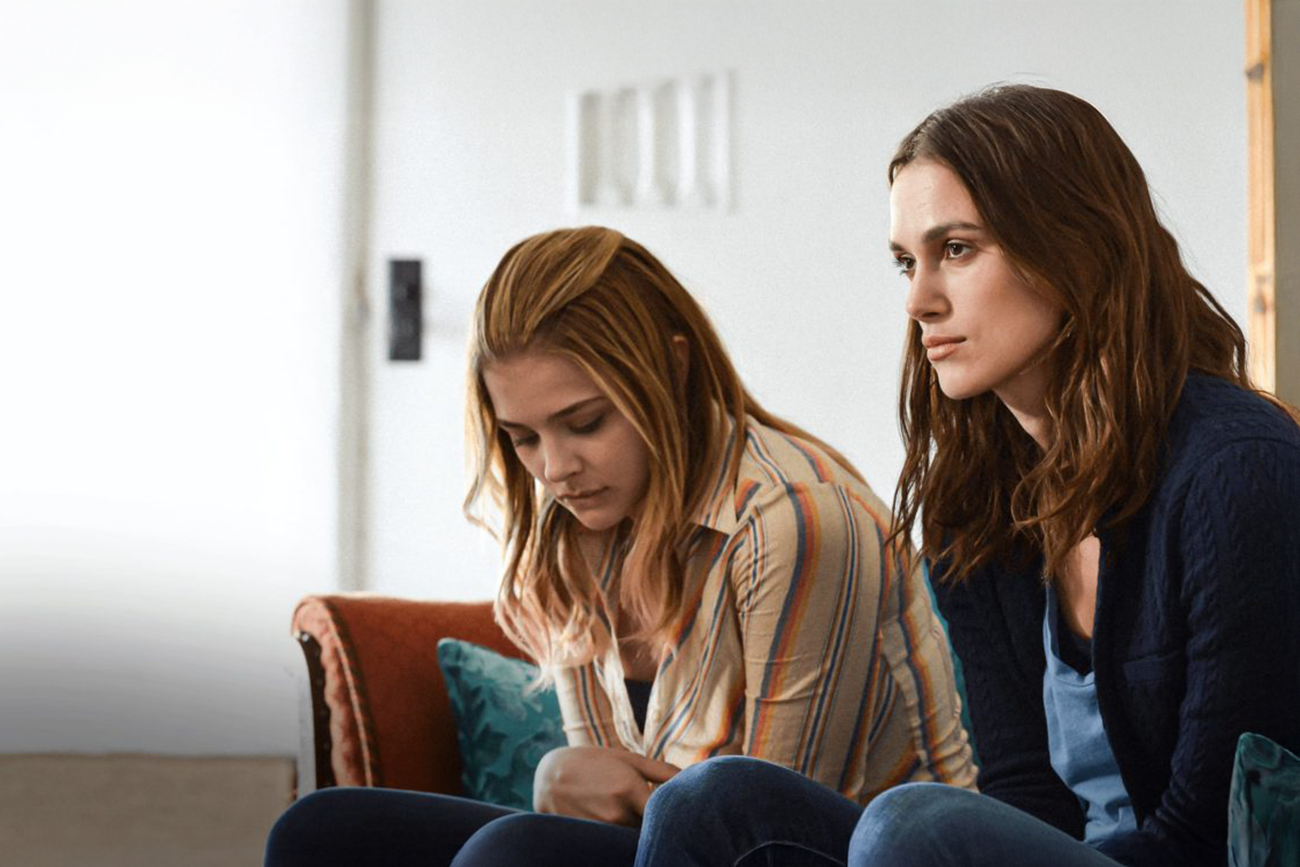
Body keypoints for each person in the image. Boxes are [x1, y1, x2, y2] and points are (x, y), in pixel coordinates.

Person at [634, 84, 1300, 867]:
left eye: (955, 249)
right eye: (905, 262)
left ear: (1075, 248)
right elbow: (1025, 796)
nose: (918, 300)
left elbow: (1214, 833)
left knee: (911, 827)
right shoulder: (975, 508)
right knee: (709, 802)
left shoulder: (1238, 472)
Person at [263, 227, 976, 867]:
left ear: (672, 368)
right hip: (679, 845)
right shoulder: (574, 530)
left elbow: (758, 824)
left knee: (514, 853)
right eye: (523, 437)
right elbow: (605, 809)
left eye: (584, 423)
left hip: (836, 855)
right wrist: (560, 779)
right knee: (323, 831)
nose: (554, 468)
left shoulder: (797, 519)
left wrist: (580, 791)